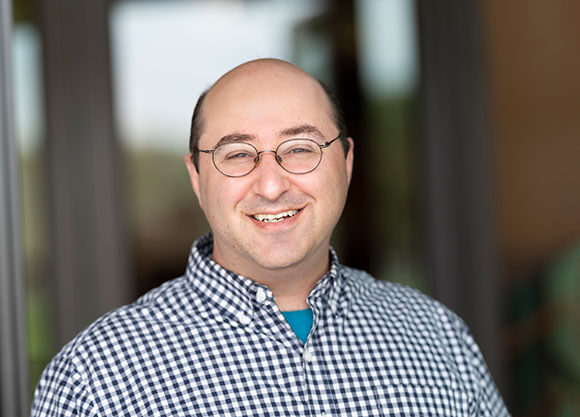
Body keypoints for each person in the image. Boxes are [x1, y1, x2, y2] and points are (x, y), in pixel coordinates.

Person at [32, 59, 510, 416]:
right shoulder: (96, 376)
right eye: (238, 155)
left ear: (346, 162)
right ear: (197, 177)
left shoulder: (439, 337)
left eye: (299, 148)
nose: (271, 184)